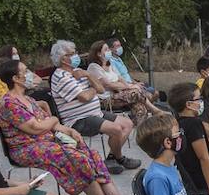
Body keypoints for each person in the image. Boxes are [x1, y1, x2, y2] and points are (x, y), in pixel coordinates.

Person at [0, 60, 137, 195]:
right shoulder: (9, 103)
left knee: (91, 154)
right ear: (16, 78)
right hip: (27, 149)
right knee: (77, 158)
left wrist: (69, 131)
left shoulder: (29, 100)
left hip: (47, 143)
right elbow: (36, 128)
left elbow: (49, 125)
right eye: (26, 71)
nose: (30, 74)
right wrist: (54, 120)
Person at [48, 40, 140, 172]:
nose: (76, 56)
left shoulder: (79, 71)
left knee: (127, 124)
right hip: (79, 119)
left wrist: (87, 75)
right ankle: (119, 158)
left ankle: (111, 159)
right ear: (63, 59)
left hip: (95, 114)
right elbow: (84, 97)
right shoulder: (61, 76)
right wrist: (93, 90)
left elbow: (101, 89)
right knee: (117, 129)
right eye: (72, 54)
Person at [87, 39, 157, 124]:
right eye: (106, 50)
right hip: (106, 99)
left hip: (118, 94)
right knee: (137, 93)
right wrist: (129, 87)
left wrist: (125, 86)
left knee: (140, 109)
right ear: (98, 54)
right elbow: (108, 84)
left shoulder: (109, 64)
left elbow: (120, 78)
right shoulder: (94, 67)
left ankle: (140, 130)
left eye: (108, 49)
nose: (109, 51)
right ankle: (155, 111)